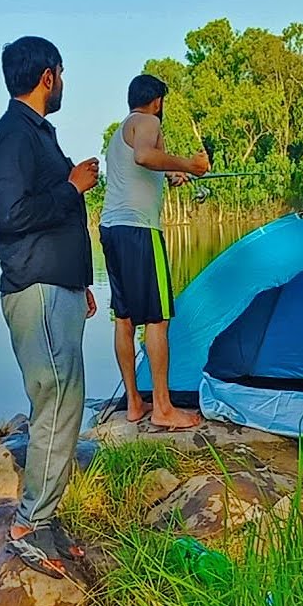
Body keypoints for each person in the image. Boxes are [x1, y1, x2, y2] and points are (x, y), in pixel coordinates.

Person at [0, 36, 100, 579]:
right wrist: (73, 187)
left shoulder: (36, 136)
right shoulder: (11, 137)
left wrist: (81, 283)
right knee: (54, 401)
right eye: (63, 73)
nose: (64, 83)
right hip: (35, 288)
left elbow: (44, 219)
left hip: (59, 288)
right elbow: (9, 218)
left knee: (64, 401)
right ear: (49, 76)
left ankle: (46, 520)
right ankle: (28, 525)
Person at [99, 74, 210, 429]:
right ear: (158, 101)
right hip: (139, 232)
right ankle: (163, 409)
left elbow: (141, 168)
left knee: (124, 318)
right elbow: (147, 156)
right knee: (157, 319)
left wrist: (174, 176)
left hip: (112, 229)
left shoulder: (121, 131)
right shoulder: (147, 121)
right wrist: (191, 165)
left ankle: (134, 402)